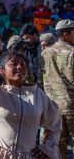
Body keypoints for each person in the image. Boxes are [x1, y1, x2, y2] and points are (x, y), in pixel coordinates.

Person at [0, 21, 62, 158]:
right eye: (14, 64)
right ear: (2, 71)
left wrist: (46, 148)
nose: (20, 67)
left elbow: (55, 123)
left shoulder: (38, 95)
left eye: (22, 64)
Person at [39, 19, 74, 158]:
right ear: (66, 35)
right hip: (71, 105)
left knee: (57, 147)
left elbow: (40, 81)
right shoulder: (71, 52)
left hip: (52, 107)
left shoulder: (45, 53)